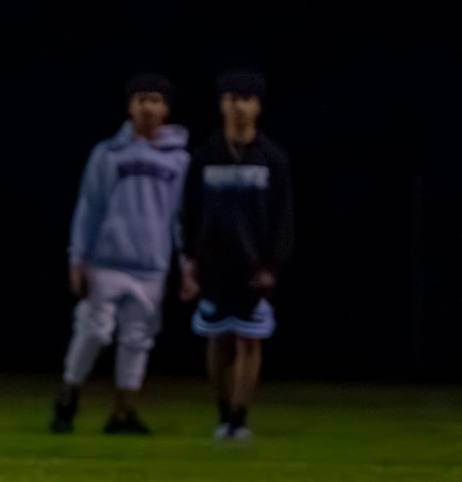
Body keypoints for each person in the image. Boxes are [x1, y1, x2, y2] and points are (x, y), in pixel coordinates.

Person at [52, 73, 189, 434]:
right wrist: (78, 257)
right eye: (142, 99)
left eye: (156, 100)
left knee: (138, 338)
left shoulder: (180, 158)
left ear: (166, 108)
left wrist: (184, 262)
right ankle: (68, 397)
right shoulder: (107, 152)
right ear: (130, 106)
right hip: (106, 260)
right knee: (93, 332)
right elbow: (89, 206)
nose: (148, 107)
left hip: (152, 264)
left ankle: (124, 411)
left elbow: (180, 216)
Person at [180, 70, 294, 440]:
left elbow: (283, 216)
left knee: (249, 339)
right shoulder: (205, 156)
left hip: (254, 266)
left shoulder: (272, 158)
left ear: (257, 106)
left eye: (246, 99)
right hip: (213, 265)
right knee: (218, 339)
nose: (239, 107)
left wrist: (272, 265)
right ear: (222, 105)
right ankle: (223, 414)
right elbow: (189, 211)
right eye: (232, 99)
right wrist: (189, 261)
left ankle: (240, 419)